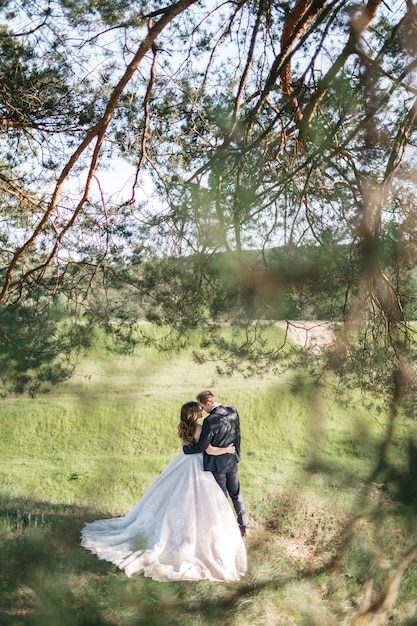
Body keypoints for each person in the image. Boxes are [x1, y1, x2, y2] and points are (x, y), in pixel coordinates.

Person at [80, 401, 247, 582]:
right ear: (193, 414)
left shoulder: (183, 428)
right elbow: (206, 449)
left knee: (171, 493)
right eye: (198, 411)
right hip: (197, 465)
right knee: (199, 498)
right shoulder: (200, 429)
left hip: (182, 462)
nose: (201, 413)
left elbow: (187, 447)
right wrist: (227, 449)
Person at [183, 390, 249, 536]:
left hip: (217, 464)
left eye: (201, 407)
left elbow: (201, 447)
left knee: (221, 496)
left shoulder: (210, 421)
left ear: (208, 403)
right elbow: (237, 435)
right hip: (232, 460)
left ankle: (226, 527)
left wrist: (185, 451)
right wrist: (235, 452)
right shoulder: (233, 411)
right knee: (236, 493)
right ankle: (245, 526)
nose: (201, 410)